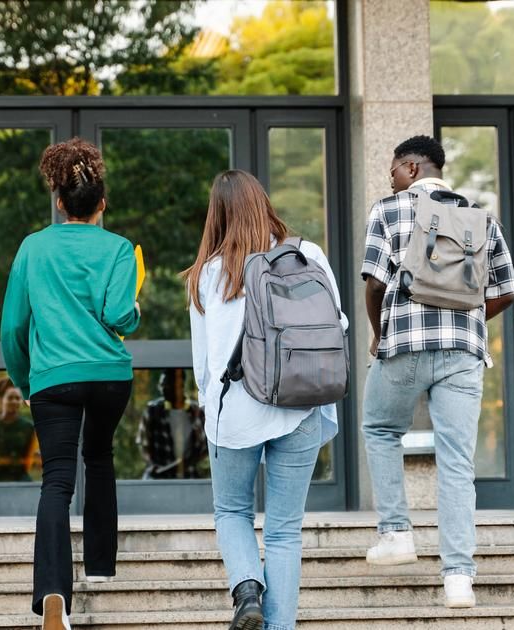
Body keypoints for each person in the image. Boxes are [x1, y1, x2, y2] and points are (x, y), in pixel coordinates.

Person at [359, 135, 514, 608]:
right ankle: (458, 578)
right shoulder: (479, 216)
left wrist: (379, 332)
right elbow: (507, 290)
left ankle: (396, 534)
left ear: (410, 167)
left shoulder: (388, 210)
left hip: (404, 343)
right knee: (457, 461)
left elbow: (373, 283)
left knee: (381, 427)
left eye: (392, 170)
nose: (390, 178)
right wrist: (465, 321)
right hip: (463, 353)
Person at [185, 170, 343, 630]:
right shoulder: (306, 254)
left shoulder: (207, 273)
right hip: (300, 404)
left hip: (234, 409)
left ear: (217, 214)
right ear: (263, 203)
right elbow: (340, 325)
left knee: (231, 510)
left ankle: (248, 588)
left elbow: (203, 365)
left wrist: (207, 408)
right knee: (284, 531)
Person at [0, 137, 140, 630]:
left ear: (60, 202)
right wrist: (135, 309)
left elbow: (13, 327)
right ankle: (101, 567)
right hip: (108, 376)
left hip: (53, 380)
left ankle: (54, 592)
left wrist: (28, 379)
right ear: (101, 203)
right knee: (99, 456)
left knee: (57, 480)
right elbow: (121, 315)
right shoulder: (119, 248)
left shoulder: (33, 247)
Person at [136, 369, 207, 480]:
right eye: (161, 385)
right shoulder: (153, 410)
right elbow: (143, 444)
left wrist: (180, 466)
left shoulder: (195, 412)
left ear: (180, 385)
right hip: (157, 478)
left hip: (188, 478)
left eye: (166, 384)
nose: (162, 388)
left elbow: (203, 449)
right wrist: (153, 467)